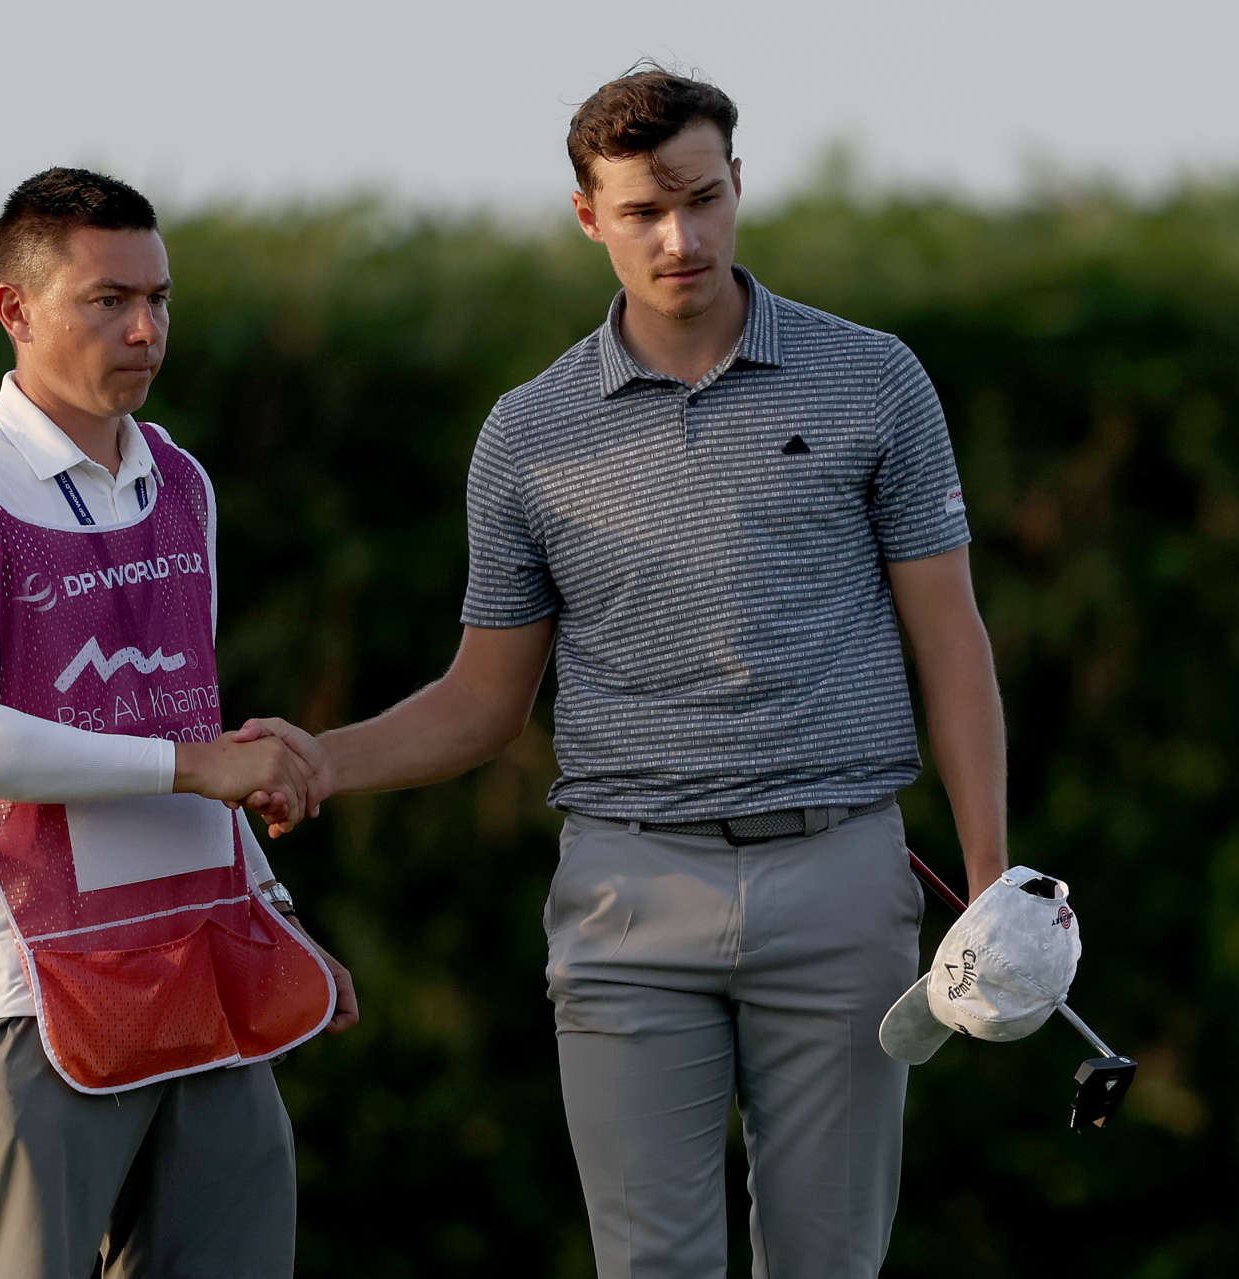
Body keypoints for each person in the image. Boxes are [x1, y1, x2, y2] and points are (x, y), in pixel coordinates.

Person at [241, 67, 1005, 1278]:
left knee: (830, 1261)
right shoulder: (528, 433)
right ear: (589, 216)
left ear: (739, 183)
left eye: (703, 200)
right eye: (645, 211)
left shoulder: (874, 379)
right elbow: (484, 699)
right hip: (626, 896)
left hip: (842, 876)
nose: (680, 239)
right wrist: (317, 762)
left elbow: (950, 641)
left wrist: (992, 879)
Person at [0, 166, 357, 1279]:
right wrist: (198, 766)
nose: (145, 330)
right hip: (26, 992)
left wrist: (275, 912)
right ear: (15, 310)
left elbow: (183, 719)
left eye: (159, 298)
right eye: (107, 300)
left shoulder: (181, 480)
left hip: (201, 973)